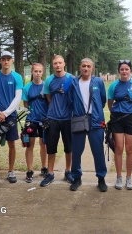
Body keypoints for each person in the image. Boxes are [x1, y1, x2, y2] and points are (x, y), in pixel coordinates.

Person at [0, 51, 24, 185]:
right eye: (4, 59)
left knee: (12, 144)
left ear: (12, 61)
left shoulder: (17, 77)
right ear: (0, 61)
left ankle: (11, 171)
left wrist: (5, 113)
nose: (6, 61)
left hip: (10, 116)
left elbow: (17, 98)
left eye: (9, 59)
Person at [68, 58, 108, 192]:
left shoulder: (98, 82)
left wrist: (94, 111)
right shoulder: (74, 82)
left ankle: (101, 178)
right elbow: (70, 101)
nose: (86, 68)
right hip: (79, 119)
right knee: (77, 151)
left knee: (98, 151)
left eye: (88, 66)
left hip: (95, 120)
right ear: (80, 67)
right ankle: (76, 177)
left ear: (92, 68)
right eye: (84, 66)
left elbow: (102, 100)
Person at [40, 55, 74, 187]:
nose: (58, 65)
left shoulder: (71, 79)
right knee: (51, 148)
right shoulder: (49, 80)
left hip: (68, 118)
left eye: (60, 63)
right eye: (55, 63)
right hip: (53, 118)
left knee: (69, 147)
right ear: (52, 65)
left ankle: (68, 171)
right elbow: (48, 98)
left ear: (64, 63)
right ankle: (50, 173)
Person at [108, 60, 132, 190]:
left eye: (126, 69)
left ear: (131, 71)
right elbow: (110, 103)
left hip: (131, 118)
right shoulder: (113, 85)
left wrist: (131, 111)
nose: (124, 71)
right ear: (119, 71)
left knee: (129, 149)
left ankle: (129, 177)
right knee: (119, 148)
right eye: (122, 69)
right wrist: (117, 112)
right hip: (117, 118)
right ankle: (118, 177)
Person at [22, 63, 48, 183]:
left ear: (42, 72)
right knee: (29, 146)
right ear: (32, 72)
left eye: (40, 71)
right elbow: (26, 104)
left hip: (44, 120)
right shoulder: (27, 88)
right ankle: (30, 170)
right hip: (31, 120)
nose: (37, 73)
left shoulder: (46, 87)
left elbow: (49, 102)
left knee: (44, 145)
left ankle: (44, 168)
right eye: (35, 71)